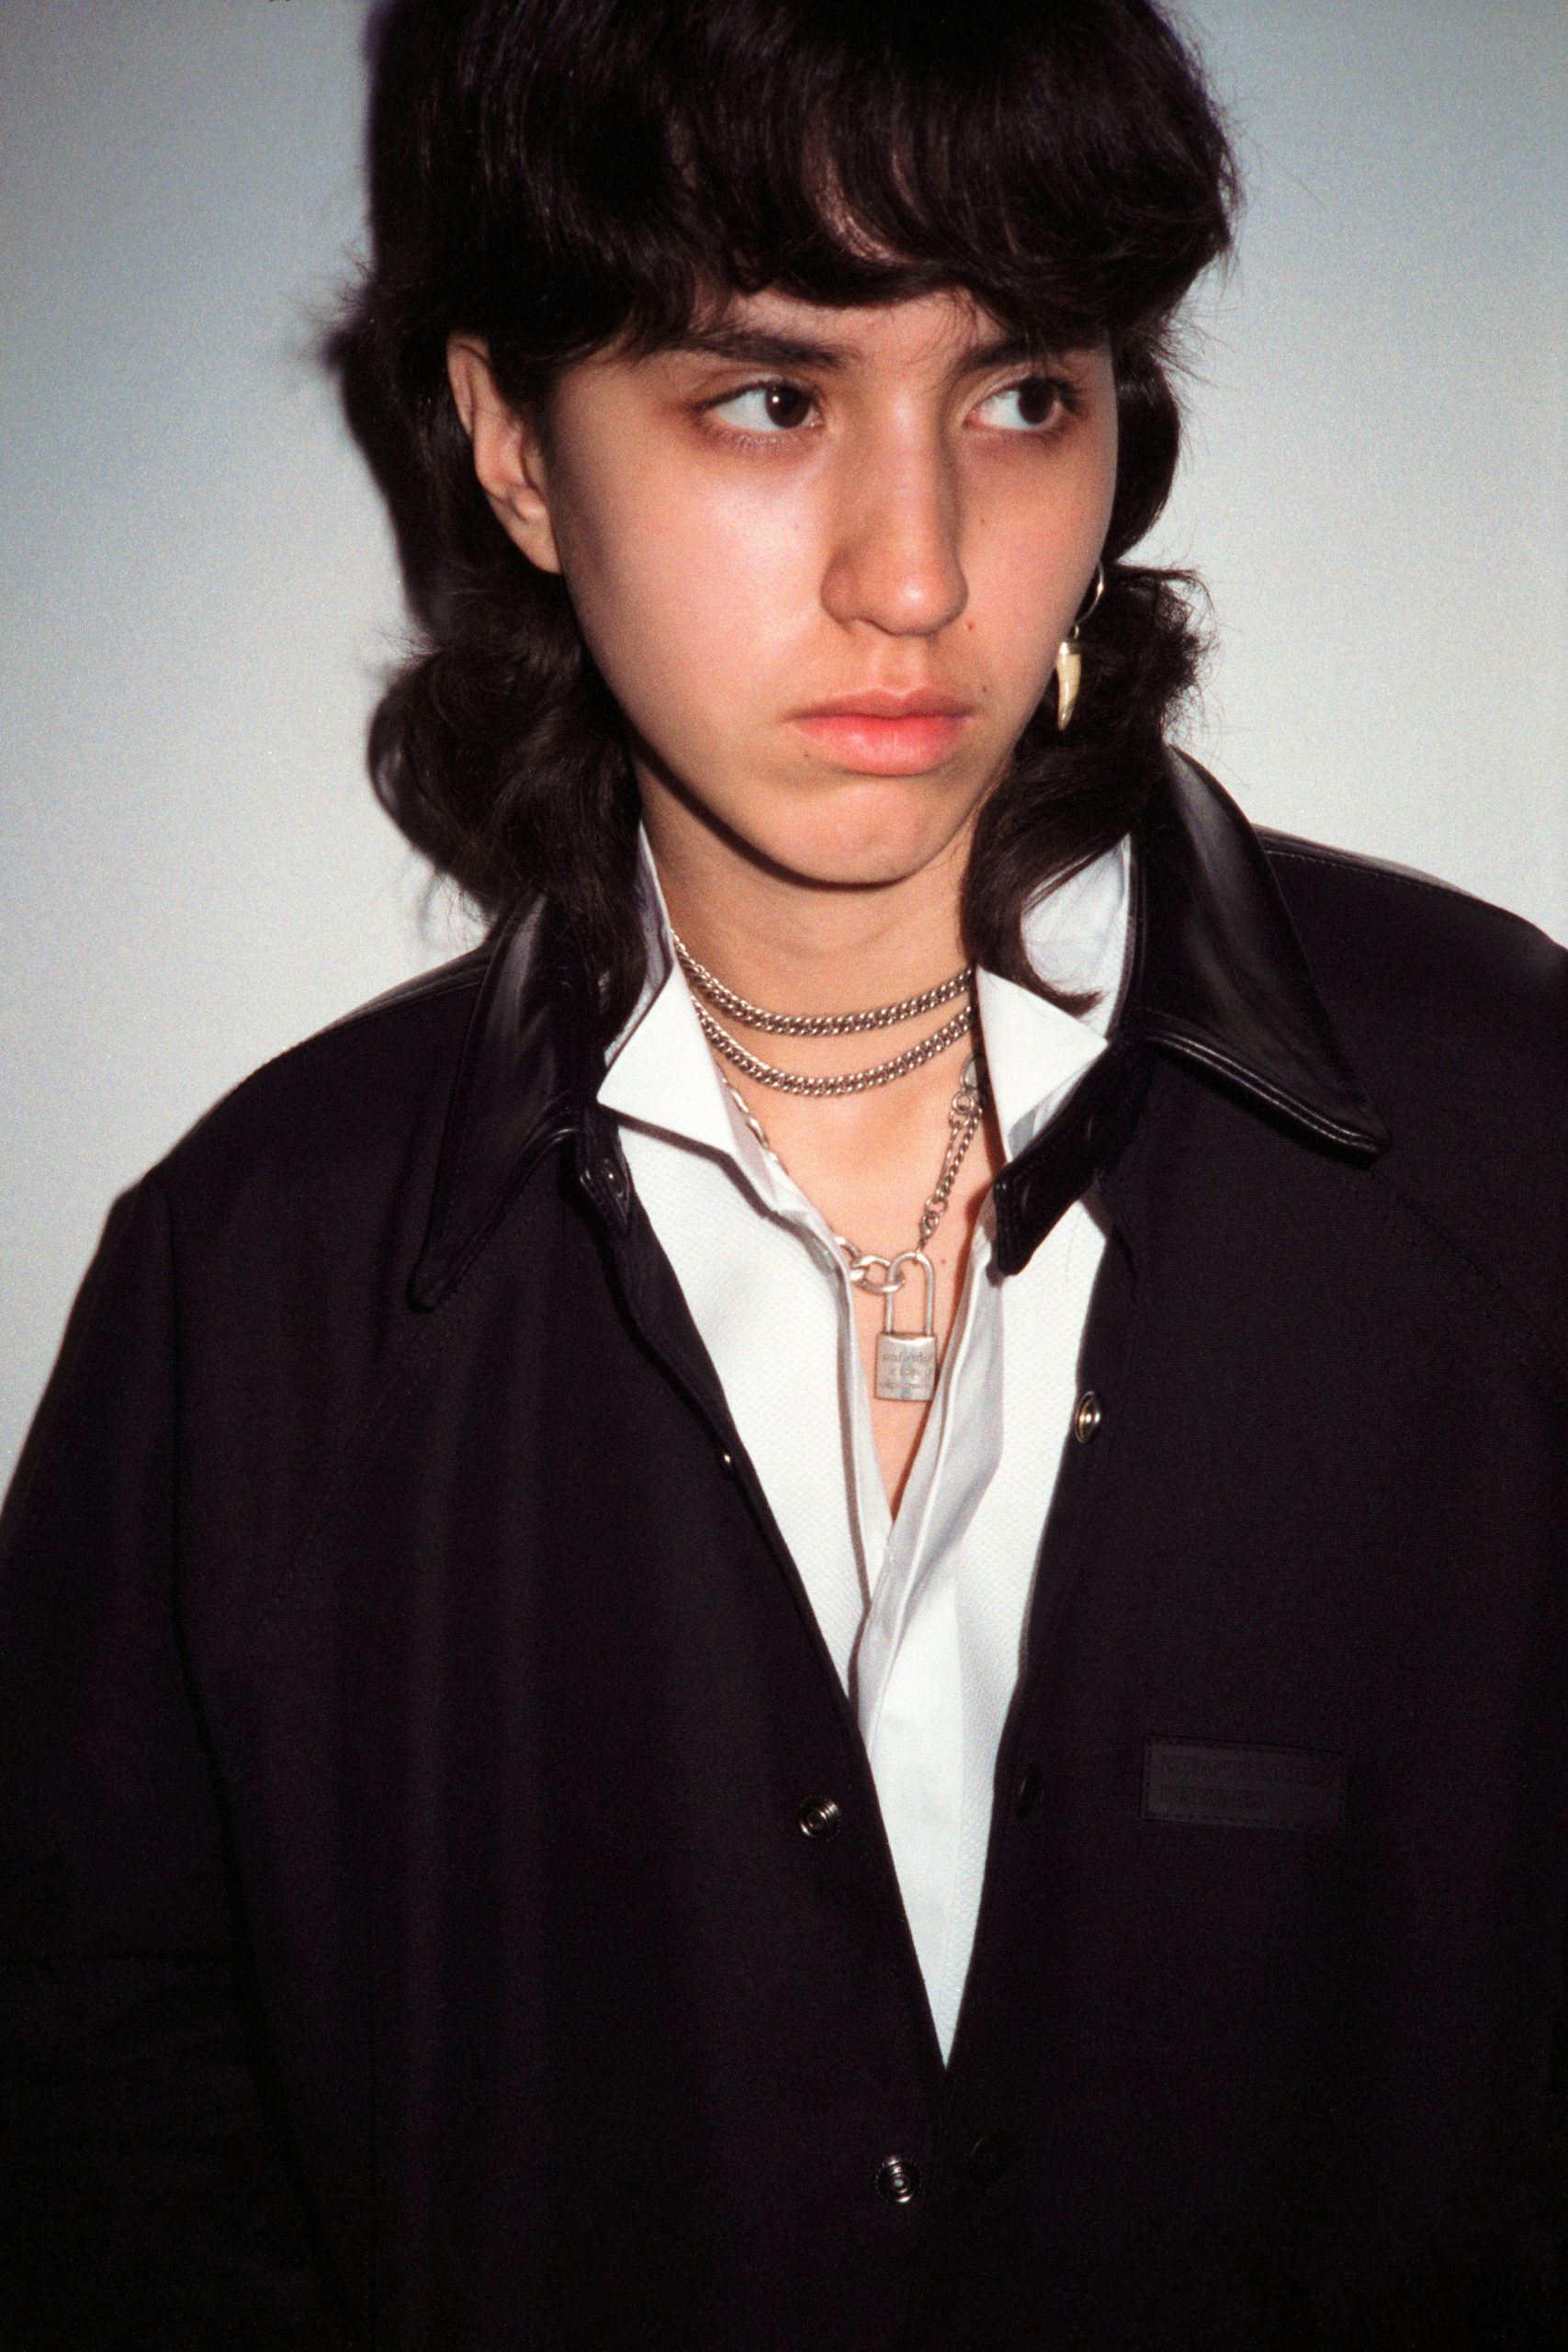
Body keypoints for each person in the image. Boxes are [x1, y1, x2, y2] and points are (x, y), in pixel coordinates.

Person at [2, 0, 1564, 2344]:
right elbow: (101, 2142)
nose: (914, 573)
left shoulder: (1505, 1132)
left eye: (1017, 394)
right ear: (514, 449)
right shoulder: (257, 1283)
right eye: (766, 395)